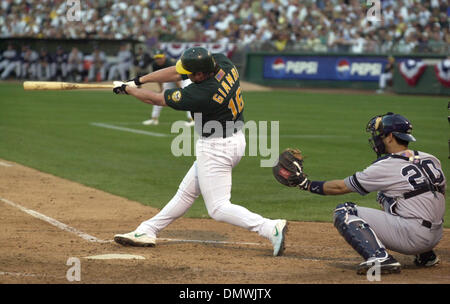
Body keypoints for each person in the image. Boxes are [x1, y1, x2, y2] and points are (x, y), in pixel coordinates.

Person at [112, 47, 288, 257]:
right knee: (186, 193)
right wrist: (139, 80)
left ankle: (270, 227)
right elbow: (176, 72)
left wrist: (128, 90)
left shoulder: (201, 93)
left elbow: (156, 99)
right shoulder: (223, 62)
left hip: (216, 147)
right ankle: (147, 230)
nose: (186, 74)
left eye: (191, 73)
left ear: (201, 74)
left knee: (218, 208)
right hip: (234, 139)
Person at [273, 112, 446, 274]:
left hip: (413, 237)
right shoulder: (430, 158)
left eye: (381, 134)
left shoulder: (387, 165)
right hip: (436, 234)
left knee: (345, 212)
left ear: (391, 137)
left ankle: (380, 258)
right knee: (389, 195)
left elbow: (341, 187)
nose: (377, 138)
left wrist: (305, 184)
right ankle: (426, 255)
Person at [141, 49, 194, 127]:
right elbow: (158, 78)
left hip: (183, 78)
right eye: (156, 58)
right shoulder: (155, 65)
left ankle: (192, 119)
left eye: (160, 58)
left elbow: (177, 77)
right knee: (160, 96)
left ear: (164, 57)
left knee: (189, 97)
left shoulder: (170, 63)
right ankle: (154, 118)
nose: (158, 60)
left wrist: (181, 90)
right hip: (171, 80)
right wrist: (161, 88)